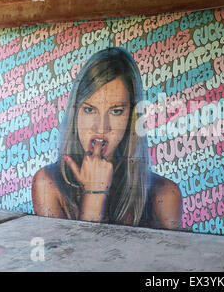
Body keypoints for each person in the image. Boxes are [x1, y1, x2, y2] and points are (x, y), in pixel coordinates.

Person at [32, 47, 182, 230]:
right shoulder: (47, 183)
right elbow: (79, 258)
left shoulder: (165, 194)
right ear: (75, 112)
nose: (101, 127)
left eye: (116, 111)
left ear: (131, 118)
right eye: (89, 109)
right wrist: (94, 194)